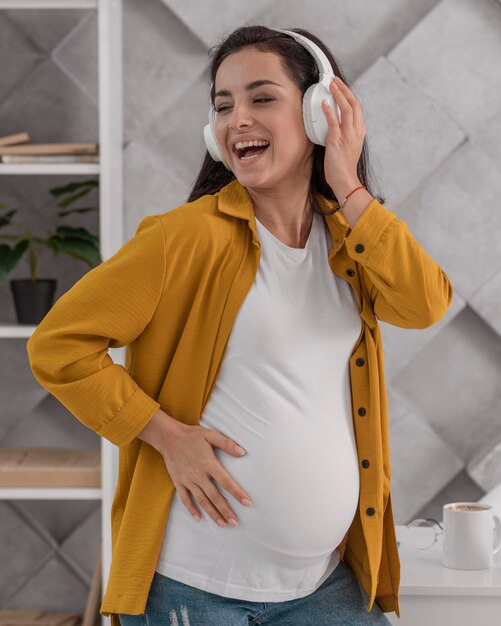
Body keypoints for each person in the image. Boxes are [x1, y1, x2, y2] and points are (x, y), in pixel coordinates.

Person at [26, 25, 454, 625]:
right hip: (193, 588)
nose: (237, 120)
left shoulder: (351, 245)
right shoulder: (185, 237)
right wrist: (165, 435)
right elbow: (58, 346)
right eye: (223, 105)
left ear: (317, 113)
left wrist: (349, 184)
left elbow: (425, 303)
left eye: (261, 98)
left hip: (324, 584)